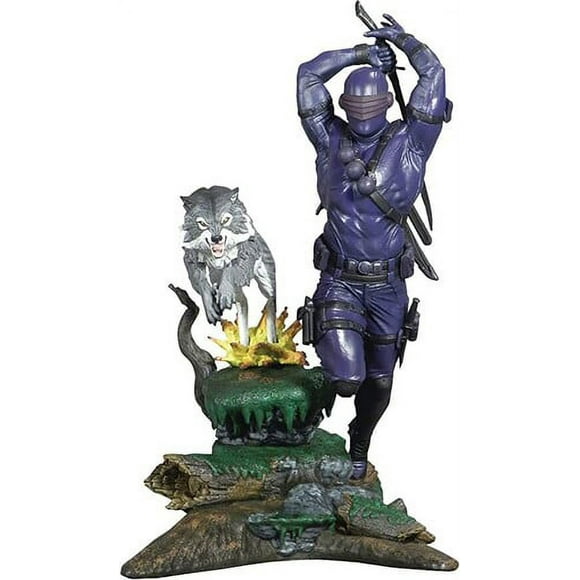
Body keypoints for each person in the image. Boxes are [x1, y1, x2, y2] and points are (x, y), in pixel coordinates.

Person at [296, 14, 451, 479]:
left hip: (388, 287)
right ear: (344, 105)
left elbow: (434, 75)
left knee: (380, 384)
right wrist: (361, 53)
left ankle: (359, 439)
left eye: (371, 104)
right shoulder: (328, 139)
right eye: (355, 105)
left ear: (386, 103)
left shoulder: (412, 142)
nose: (362, 112)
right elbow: (308, 75)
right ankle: (302, 416)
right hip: (339, 280)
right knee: (347, 377)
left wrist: (404, 41)